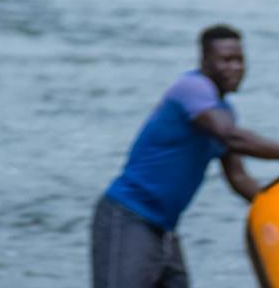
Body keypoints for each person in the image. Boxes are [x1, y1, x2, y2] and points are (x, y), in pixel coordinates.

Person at [93, 25, 279, 286]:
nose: (234, 68)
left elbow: (238, 177)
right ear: (205, 61)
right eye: (225, 60)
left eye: (239, 60)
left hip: (164, 229)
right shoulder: (192, 88)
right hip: (129, 218)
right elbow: (230, 137)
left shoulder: (224, 112)